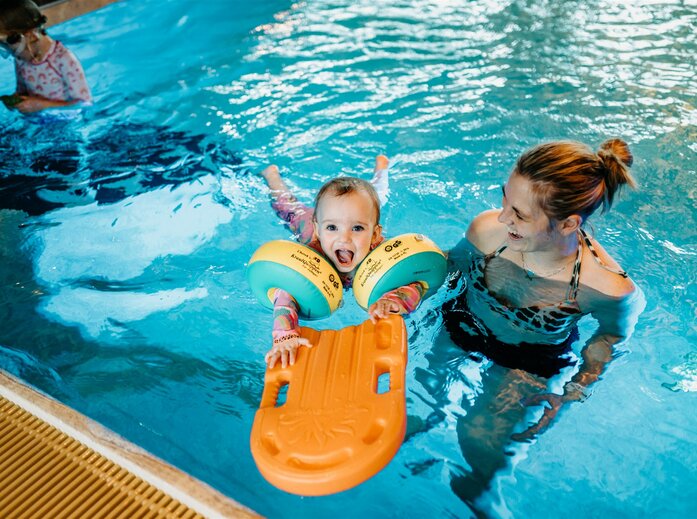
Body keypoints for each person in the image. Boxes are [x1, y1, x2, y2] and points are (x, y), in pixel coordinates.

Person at [435, 138, 644, 510]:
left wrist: (570, 394)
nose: (502, 218)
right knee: (420, 400)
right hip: (461, 321)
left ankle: (485, 500)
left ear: (568, 223)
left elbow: (607, 340)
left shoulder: (607, 288)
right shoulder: (486, 232)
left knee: (481, 444)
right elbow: (445, 270)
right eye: (504, 200)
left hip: (529, 360)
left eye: (519, 214)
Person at [259, 155, 426, 369]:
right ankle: (272, 176)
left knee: (377, 195)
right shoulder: (313, 251)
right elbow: (284, 293)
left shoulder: (379, 253)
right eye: (331, 228)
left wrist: (394, 299)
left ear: (375, 236)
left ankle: (381, 169)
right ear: (320, 230)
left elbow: (416, 282)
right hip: (306, 224)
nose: (344, 238)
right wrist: (285, 335)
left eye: (357, 228)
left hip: (355, 218)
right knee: (287, 206)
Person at [0, 0, 91, 114]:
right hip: (37, 120)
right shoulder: (20, 59)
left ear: (30, 35)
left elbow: (84, 104)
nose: (7, 51)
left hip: (66, 122)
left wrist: (40, 105)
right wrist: (15, 100)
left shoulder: (63, 59)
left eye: (7, 43)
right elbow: (22, 92)